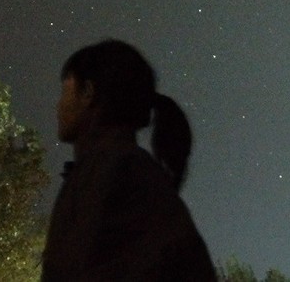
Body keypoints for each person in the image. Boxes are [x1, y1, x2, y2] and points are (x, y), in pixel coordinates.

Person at [41, 39, 217, 281]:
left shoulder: (115, 174)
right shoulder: (125, 171)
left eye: (65, 90)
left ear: (88, 93)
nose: (58, 105)